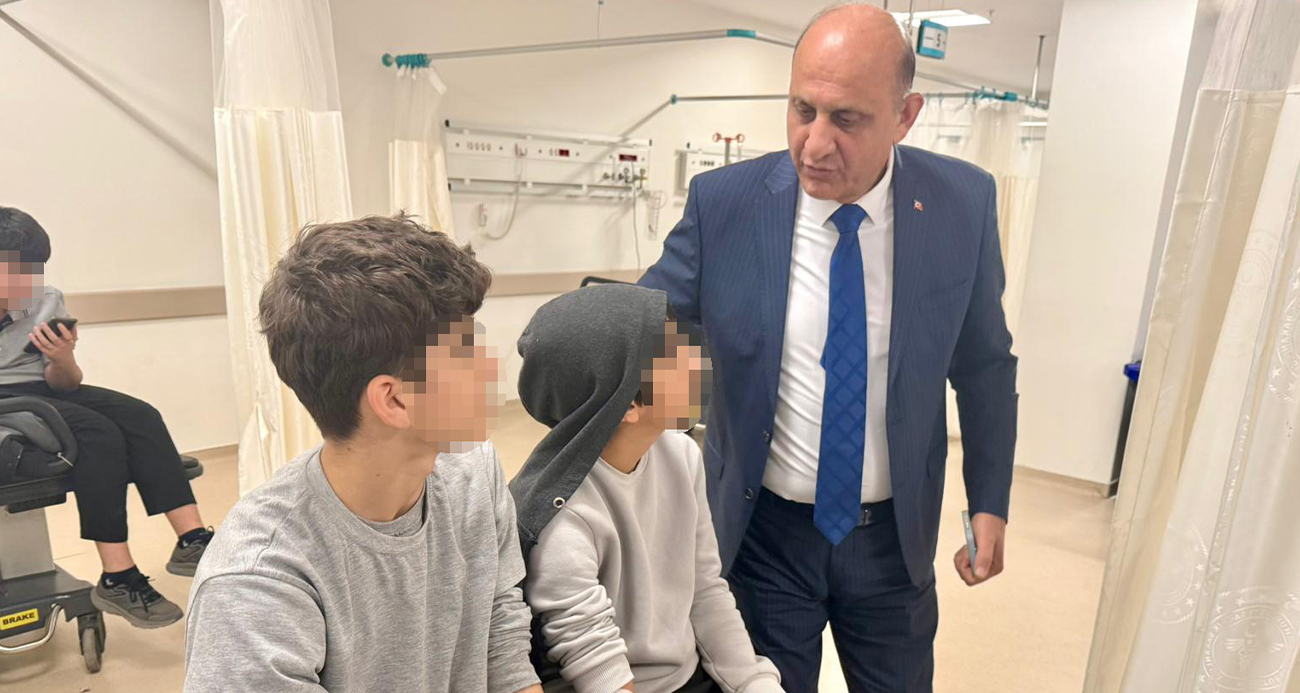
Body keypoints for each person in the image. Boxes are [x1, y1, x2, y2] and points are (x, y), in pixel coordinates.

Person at [638, 4, 1019, 691]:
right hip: (763, 535)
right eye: (802, 109)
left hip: (894, 541)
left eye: (846, 119)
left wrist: (989, 498)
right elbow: (637, 328)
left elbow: (985, 365)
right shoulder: (726, 205)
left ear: (905, 117)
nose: (814, 143)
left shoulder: (961, 203)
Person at [182, 214, 542, 693]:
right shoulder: (255, 585)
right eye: (466, 354)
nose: (490, 367)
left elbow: (500, 626)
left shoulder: (472, 470)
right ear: (394, 401)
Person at [510, 284, 782, 693]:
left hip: (687, 678)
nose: (698, 360)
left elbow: (705, 589)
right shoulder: (560, 515)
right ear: (628, 404)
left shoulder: (681, 455)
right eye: (676, 355)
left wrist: (754, 681)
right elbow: (593, 658)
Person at [0, 206, 213, 629]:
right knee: (97, 434)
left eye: (34, 271)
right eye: (17, 272)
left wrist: (63, 357)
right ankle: (118, 575)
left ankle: (192, 539)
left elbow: (64, 384)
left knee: (141, 415)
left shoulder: (46, 299)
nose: (30, 283)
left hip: (42, 389)